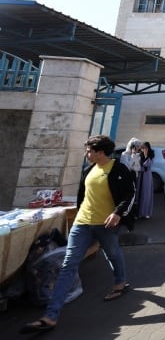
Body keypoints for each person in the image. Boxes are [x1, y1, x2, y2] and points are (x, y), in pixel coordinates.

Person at [20, 135, 135, 335]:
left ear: (100, 152)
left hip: (105, 224)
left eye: (89, 151)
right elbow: (84, 197)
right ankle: (50, 316)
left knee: (113, 253)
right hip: (82, 224)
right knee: (68, 265)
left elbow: (130, 194)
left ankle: (120, 282)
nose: (86, 154)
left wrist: (118, 213)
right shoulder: (88, 171)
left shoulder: (118, 169)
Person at [137, 142, 155, 219]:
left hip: (146, 176)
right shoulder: (139, 155)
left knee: (146, 194)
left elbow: (147, 165)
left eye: (145, 148)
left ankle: (145, 212)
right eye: (142, 148)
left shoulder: (151, 155)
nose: (143, 149)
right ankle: (138, 212)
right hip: (140, 175)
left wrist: (146, 155)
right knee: (139, 193)